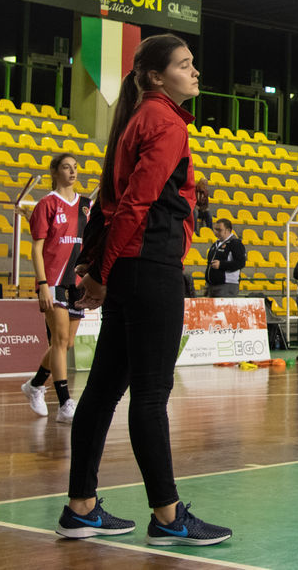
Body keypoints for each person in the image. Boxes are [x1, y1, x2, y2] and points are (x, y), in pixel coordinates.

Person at [57, 34, 232, 545]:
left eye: (194, 63)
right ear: (156, 77)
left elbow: (120, 205)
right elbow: (134, 206)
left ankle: (81, 506)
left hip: (132, 268)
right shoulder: (165, 123)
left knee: (104, 390)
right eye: (184, 65)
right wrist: (102, 274)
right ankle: (167, 515)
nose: (195, 72)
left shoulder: (140, 120)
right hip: (149, 268)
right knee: (151, 396)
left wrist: (104, 272)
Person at [20, 154, 91, 423]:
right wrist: (42, 285)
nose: (72, 172)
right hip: (53, 281)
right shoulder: (46, 204)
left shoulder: (87, 206)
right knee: (59, 341)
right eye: (66, 167)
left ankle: (35, 385)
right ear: (54, 171)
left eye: (75, 167)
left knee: (68, 343)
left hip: (77, 283)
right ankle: (65, 403)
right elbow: (36, 249)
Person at [204, 219, 246, 298]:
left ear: (228, 230)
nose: (216, 232)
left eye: (219, 230)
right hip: (212, 286)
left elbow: (240, 263)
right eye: (215, 229)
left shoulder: (235, 244)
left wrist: (221, 265)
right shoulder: (216, 244)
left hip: (227, 285)